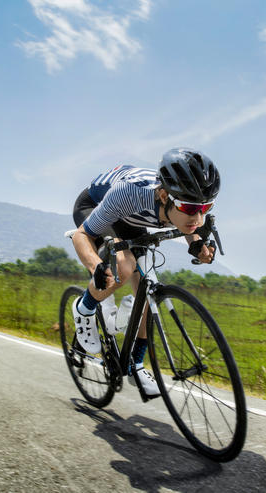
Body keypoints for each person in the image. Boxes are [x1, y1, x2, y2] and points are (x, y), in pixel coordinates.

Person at [70, 148, 220, 398]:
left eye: (206, 207)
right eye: (190, 207)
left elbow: (190, 220)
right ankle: (84, 309)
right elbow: (82, 235)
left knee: (147, 291)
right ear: (164, 195)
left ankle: (135, 364)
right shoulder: (131, 194)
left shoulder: (188, 203)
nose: (199, 216)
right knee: (125, 267)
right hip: (98, 205)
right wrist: (96, 266)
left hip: (134, 218)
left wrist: (197, 244)